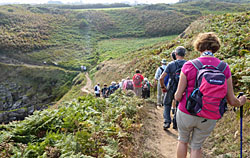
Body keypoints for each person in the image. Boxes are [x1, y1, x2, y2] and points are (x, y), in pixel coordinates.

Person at [174, 32, 246, 158]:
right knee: (196, 147)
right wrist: (241, 102)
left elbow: (178, 96)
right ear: (215, 47)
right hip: (209, 114)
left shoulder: (189, 65)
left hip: (187, 111)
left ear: (199, 46)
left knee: (182, 140)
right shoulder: (224, 68)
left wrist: (176, 98)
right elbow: (231, 100)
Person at [160, 46, 187, 130]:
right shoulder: (188, 64)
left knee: (167, 104)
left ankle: (167, 122)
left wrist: (163, 87)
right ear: (184, 54)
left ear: (176, 54)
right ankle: (176, 123)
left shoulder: (171, 64)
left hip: (171, 87)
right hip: (183, 88)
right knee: (179, 106)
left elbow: (161, 78)